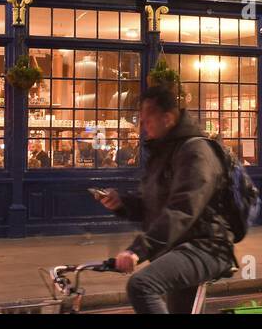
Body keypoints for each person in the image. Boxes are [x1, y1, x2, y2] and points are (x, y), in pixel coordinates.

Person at [99, 84, 235, 314]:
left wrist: (137, 251)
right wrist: (123, 203)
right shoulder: (163, 153)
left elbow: (182, 209)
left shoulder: (196, 152)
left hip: (206, 246)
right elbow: (153, 206)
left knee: (141, 285)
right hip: (178, 247)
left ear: (168, 118)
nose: (142, 127)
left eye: (147, 120)